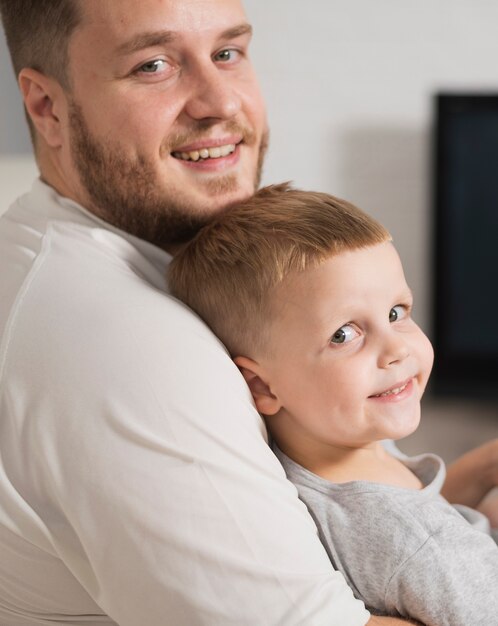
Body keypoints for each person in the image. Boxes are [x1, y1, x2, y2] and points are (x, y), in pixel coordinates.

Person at [0, 0, 493, 624]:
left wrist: (470, 486)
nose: (221, 103)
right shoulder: (126, 345)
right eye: (154, 65)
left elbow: (344, 525)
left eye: (228, 53)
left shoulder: (123, 261)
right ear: (47, 107)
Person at [168, 184, 498, 626]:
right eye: (344, 334)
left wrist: (483, 468)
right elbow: (426, 543)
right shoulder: (419, 542)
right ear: (260, 386)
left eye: (397, 312)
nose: (396, 350)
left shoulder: (328, 448)